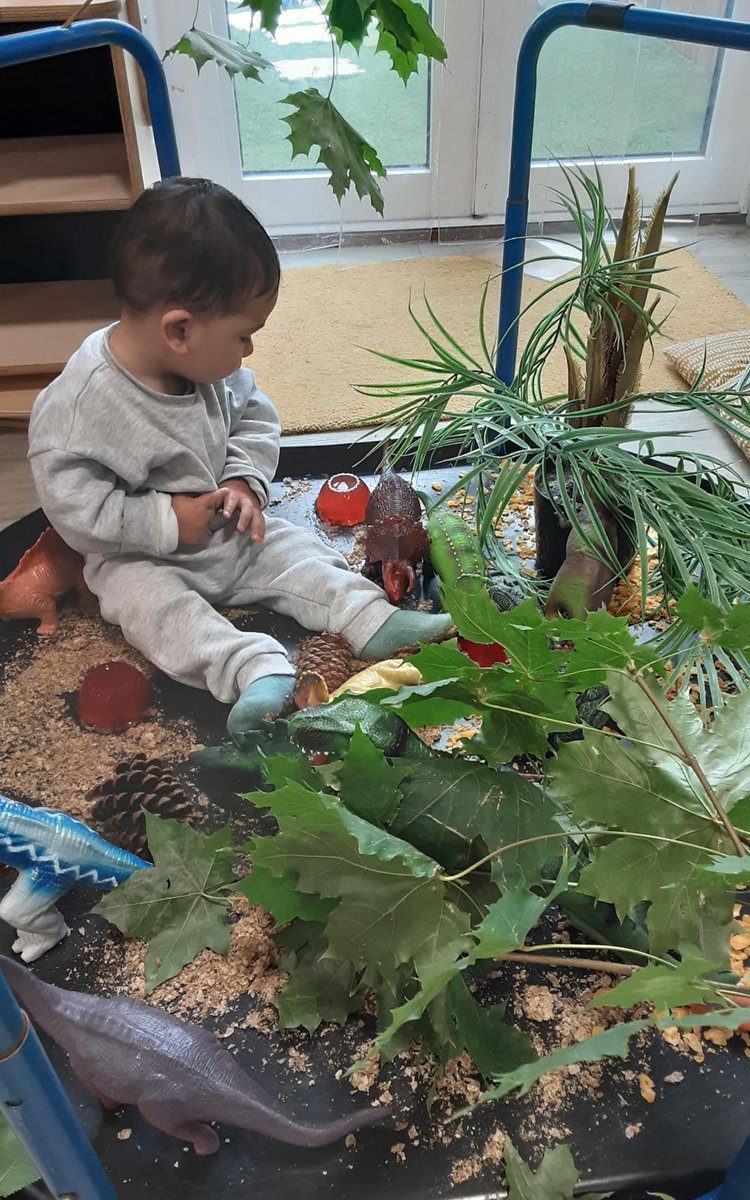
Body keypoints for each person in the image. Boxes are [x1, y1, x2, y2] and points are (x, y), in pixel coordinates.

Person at [27, 178, 452, 737]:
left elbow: (255, 415)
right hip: (140, 557)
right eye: (244, 335)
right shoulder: (83, 406)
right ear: (179, 330)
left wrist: (243, 480)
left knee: (298, 550)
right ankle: (255, 672)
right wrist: (163, 521)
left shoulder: (212, 372)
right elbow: (71, 503)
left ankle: (372, 618)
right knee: (157, 614)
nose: (249, 350)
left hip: (230, 531)